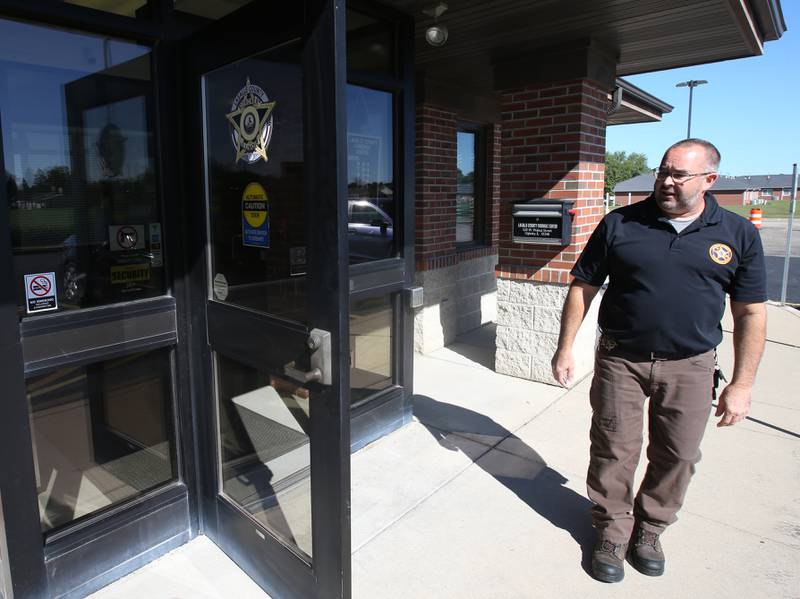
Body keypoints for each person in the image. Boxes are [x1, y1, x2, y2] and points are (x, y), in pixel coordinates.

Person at [551, 138, 766, 583]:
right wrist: (565, 346)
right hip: (620, 360)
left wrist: (741, 384)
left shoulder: (738, 234)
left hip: (691, 364)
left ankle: (650, 529)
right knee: (613, 449)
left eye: (678, 175)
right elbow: (583, 286)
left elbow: (750, 311)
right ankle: (611, 531)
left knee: (679, 455)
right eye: (662, 171)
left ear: (710, 180)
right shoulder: (620, 223)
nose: (666, 182)